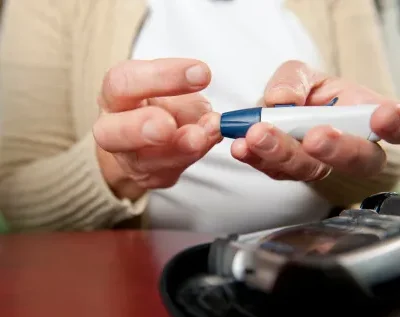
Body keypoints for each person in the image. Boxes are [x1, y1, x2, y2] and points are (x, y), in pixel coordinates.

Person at [0, 0, 399, 233]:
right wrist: (118, 169)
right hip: (129, 285)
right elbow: (18, 199)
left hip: (313, 267)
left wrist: (334, 160)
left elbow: (386, 152)